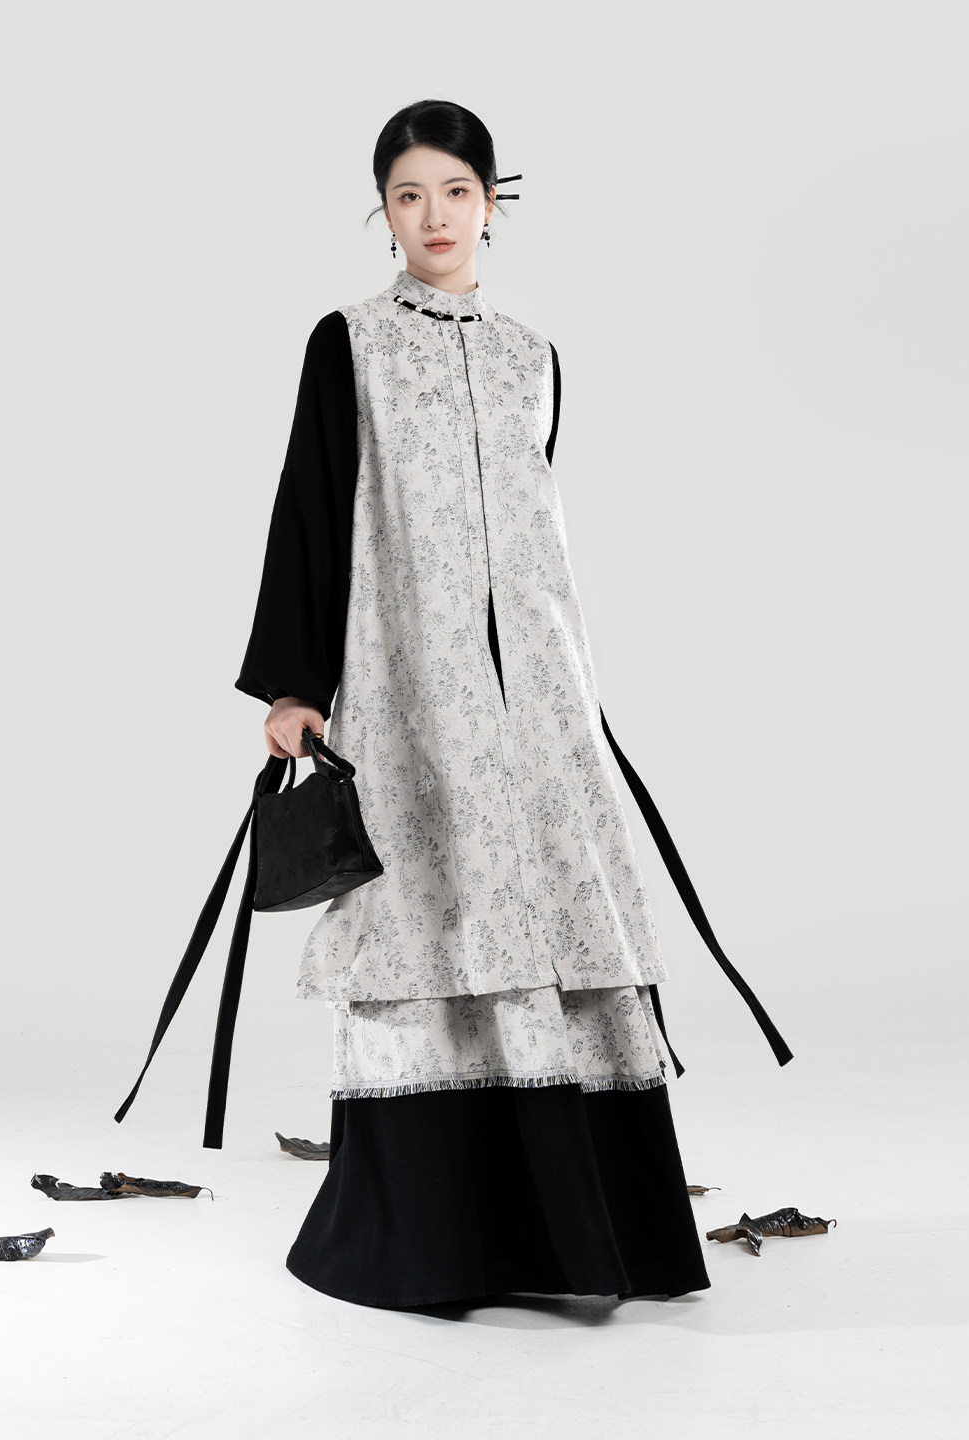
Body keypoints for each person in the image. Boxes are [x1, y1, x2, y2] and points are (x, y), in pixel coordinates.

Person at [235, 99, 789, 1309]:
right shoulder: (349, 345)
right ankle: (434, 1237)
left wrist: (565, 689)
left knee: (554, 913)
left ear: (493, 204)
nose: (432, 216)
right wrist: (294, 684)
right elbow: (311, 506)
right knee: (430, 913)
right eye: (407, 196)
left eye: (455, 192)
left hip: (539, 701)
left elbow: (534, 539)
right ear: (384, 212)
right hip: (410, 692)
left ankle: (583, 1232)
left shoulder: (533, 356)